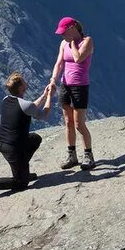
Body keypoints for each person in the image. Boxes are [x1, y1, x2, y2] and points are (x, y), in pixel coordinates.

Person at [0, 72, 53, 200]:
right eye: (23, 81)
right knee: (21, 183)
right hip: (13, 148)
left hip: (3, 143)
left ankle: (22, 170)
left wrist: (44, 96)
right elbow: (44, 115)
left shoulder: (7, 99)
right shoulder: (25, 104)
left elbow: (31, 108)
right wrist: (50, 96)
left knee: (35, 139)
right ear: (21, 88)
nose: (25, 81)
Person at [51, 16, 95, 170]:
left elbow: (78, 58)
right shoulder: (64, 43)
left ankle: (88, 155)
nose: (62, 35)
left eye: (64, 32)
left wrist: (72, 43)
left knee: (79, 124)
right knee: (68, 121)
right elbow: (59, 63)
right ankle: (72, 155)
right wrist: (53, 80)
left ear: (72, 28)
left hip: (80, 86)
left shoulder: (87, 41)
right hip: (65, 85)